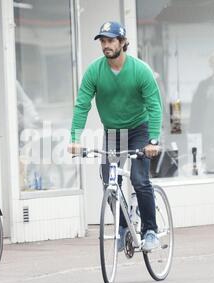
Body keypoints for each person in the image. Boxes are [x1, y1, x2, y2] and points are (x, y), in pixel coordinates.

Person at [67, 21, 162, 252]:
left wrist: (153, 140)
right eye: (103, 41)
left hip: (140, 129)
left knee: (139, 180)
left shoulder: (140, 70)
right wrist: (75, 138)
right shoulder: (94, 71)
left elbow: (154, 106)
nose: (106, 45)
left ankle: (150, 230)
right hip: (113, 132)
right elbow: (82, 105)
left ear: (123, 42)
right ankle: (122, 228)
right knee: (109, 181)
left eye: (110, 40)